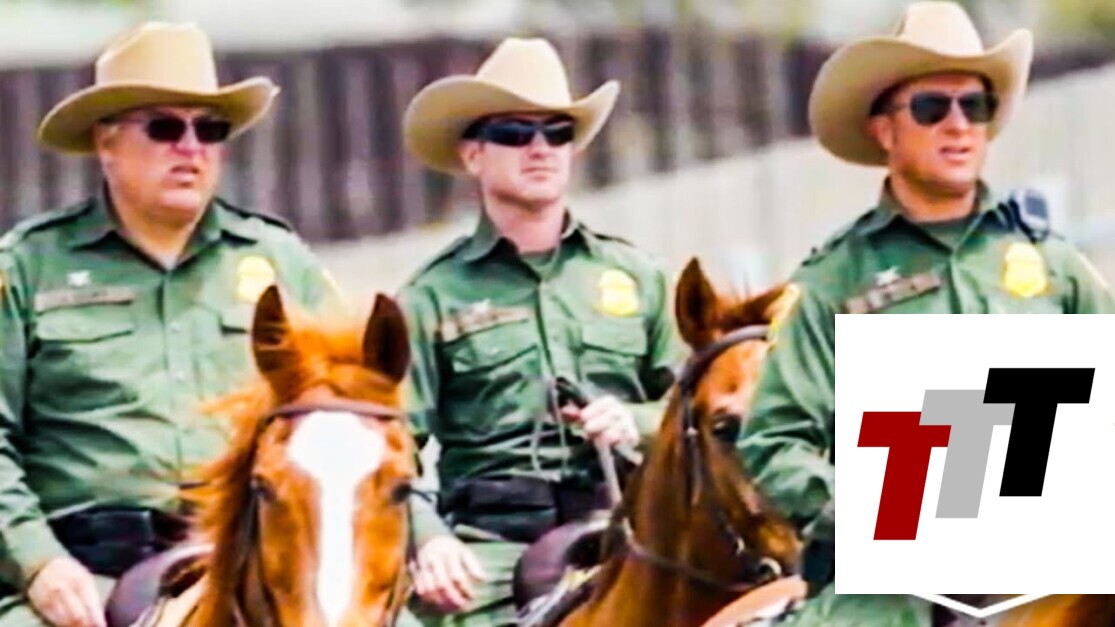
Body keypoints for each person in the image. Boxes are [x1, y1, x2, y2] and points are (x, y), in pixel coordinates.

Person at [737, 2, 1115, 626]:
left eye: (975, 106)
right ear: (885, 131)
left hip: (1047, 549)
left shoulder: (1055, 264)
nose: (958, 125)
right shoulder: (831, 283)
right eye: (932, 108)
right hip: (893, 580)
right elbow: (774, 445)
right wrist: (882, 512)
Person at [0, 22, 342, 627]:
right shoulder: (29, 266)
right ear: (107, 143)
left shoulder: (279, 261)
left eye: (209, 129)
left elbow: (353, 411)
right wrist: (37, 563)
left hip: (252, 565)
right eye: (164, 127)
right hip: (85, 579)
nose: (191, 147)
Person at [395, 37, 684, 626]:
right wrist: (428, 539)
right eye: (514, 133)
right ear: (473, 155)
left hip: (632, 531)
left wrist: (636, 421)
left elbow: (703, 410)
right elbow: (388, 447)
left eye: (557, 133)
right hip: (493, 550)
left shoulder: (640, 277)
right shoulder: (429, 298)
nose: (540, 149)